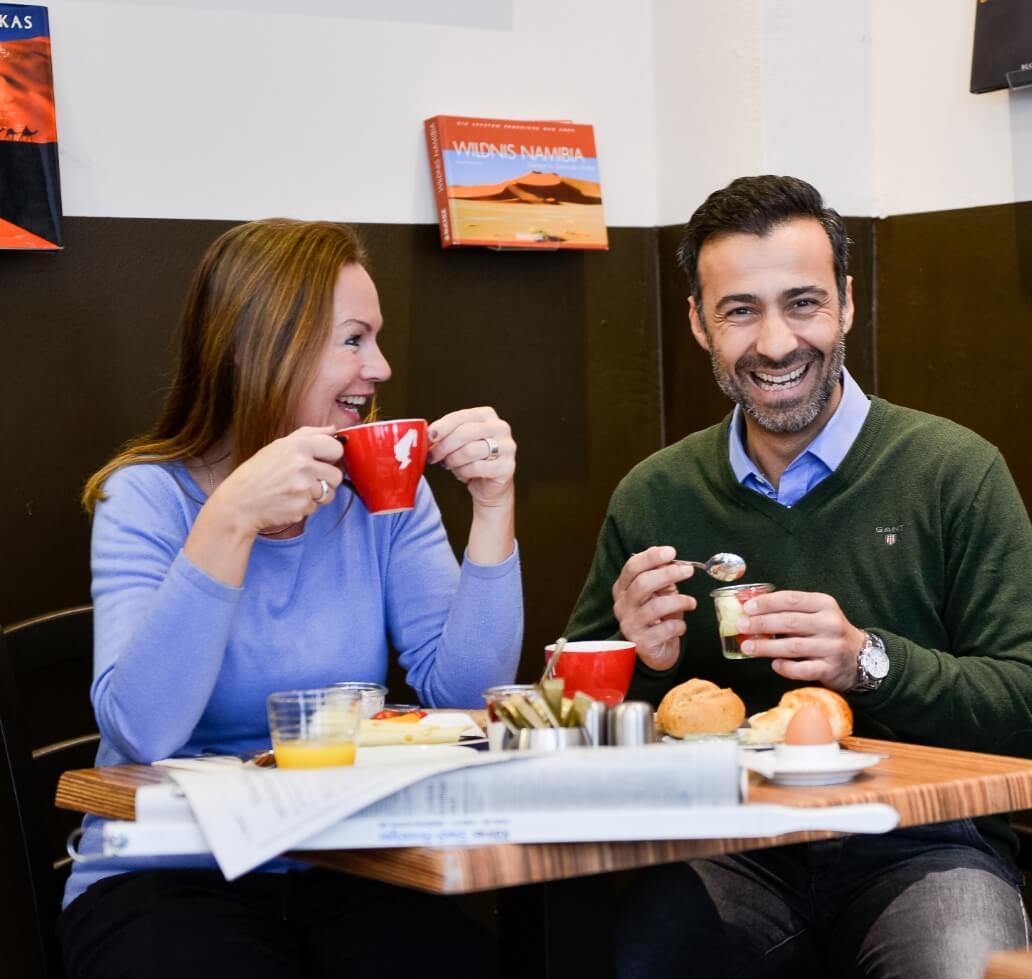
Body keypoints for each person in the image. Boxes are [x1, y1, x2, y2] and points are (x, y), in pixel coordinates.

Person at [566, 176, 1032, 978]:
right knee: (644, 950)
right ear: (697, 323)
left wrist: (867, 661)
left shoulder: (954, 471)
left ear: (847, 304)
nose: (776, 343)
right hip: (724, 844)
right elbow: (567, 725)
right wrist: (636, 660)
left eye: (803, 303)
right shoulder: (656, 492)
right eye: (740, 310)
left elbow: (1023, 702)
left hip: (922, 845)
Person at [58, 218, 523, 979]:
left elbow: (465, 692)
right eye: (353, 339)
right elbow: (142, 728)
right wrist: (232, 518)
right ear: (257, 345)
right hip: (164, 871)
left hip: (349, 860)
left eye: (376, 338)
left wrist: (494, 507)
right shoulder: (145, 497)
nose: (380, 364)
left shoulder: (379, 492)